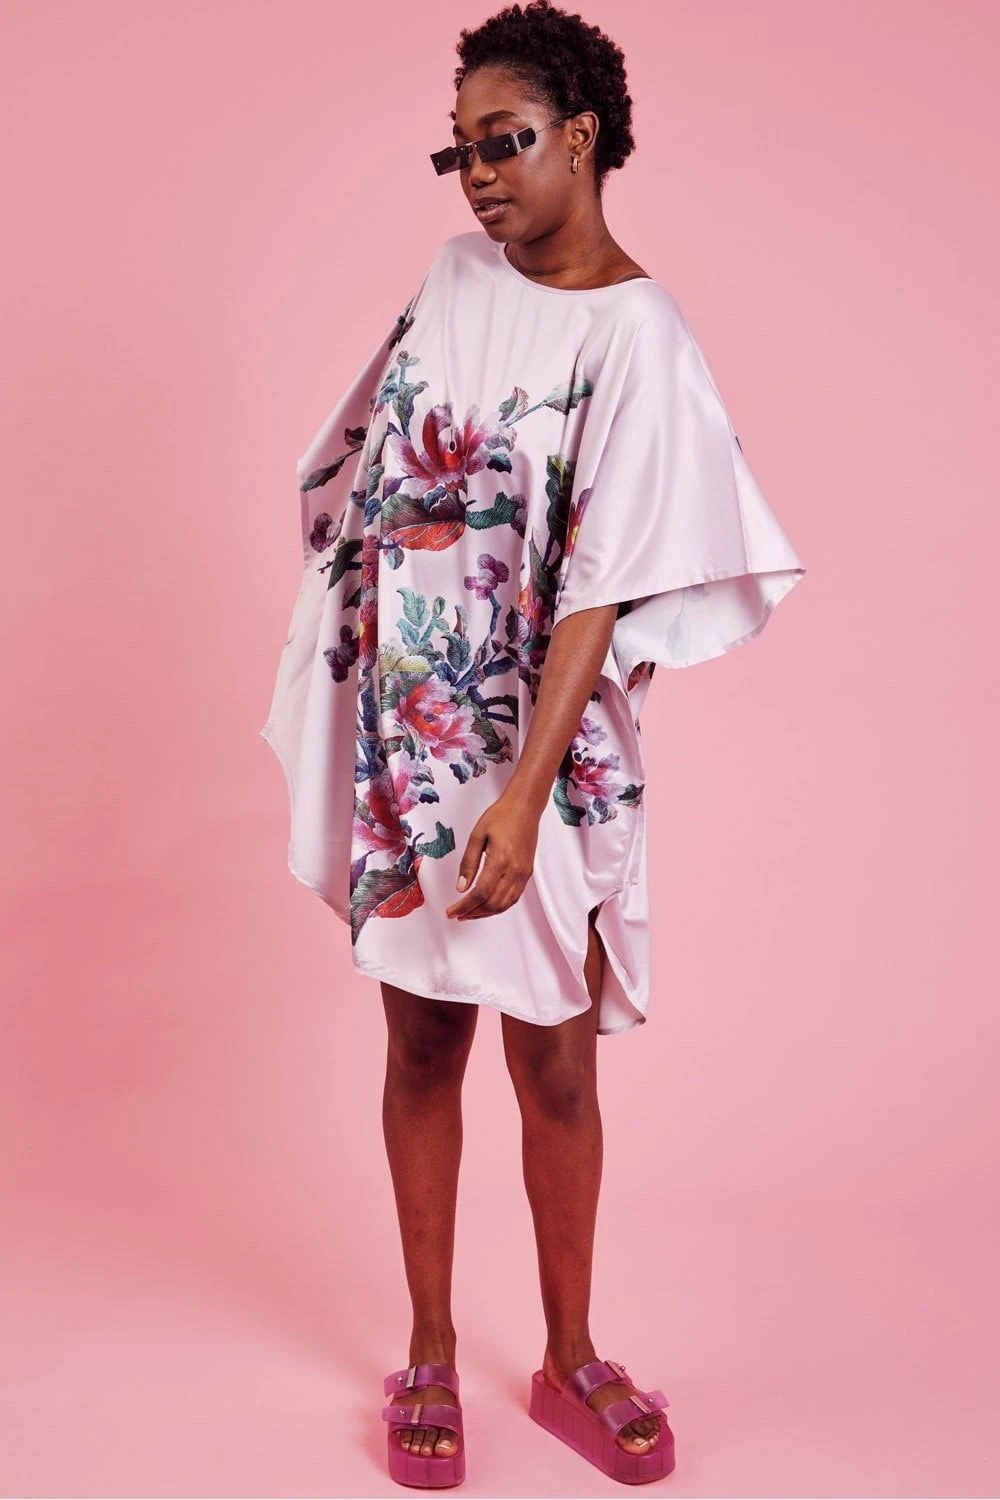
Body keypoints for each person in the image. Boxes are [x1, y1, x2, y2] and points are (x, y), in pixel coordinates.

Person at [260, 0, 805, 1486]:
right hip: (417, 724)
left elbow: (603, 582)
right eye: (460, 153)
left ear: (583, 134)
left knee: (554, 1064)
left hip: (537, 752)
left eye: (504, 143)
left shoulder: (640, 333)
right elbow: (373, 470)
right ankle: (429, 1347)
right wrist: (372, 679)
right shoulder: (452, 278)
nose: (481, 177)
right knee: (420, 1039)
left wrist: (523, 791)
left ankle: (570, 1354)